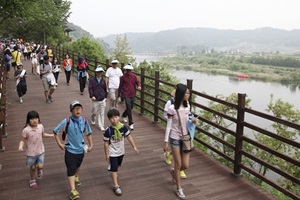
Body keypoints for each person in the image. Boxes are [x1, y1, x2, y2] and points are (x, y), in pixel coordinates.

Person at [53, 100, 93, 200]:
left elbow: (89, 133)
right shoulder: (67, 121)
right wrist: (59, 144)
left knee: (77, 165)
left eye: (79, 108)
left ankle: (76, 177)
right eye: (75, 109)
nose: (78, 110)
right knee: (71, 169)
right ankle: (73, 191)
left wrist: (91, 144)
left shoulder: (84, 120)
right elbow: (55, 131)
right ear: (71, 111)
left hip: (81, 150)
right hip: (70, 150)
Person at [163, 83, 196, 199]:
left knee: (185, 165)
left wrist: (193, 121)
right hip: (175, 137)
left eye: (189, 93)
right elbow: (168, 125)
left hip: (186, 138)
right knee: (178, 164)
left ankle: (173, 172)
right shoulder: (172, 108)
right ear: (181, 94)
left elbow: (188, 119)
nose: (189, 95)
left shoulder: (188, 106)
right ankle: (178, 188)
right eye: (187, 93)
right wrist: (166, 141)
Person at [103, 108, 139, 196]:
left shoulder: (123, 127)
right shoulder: (109, 130)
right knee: (114, 169)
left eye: (115, 117)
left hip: (121, 151)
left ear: (119, 117)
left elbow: (129, 137)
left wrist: (134, 147)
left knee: (118, 165)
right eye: (112, 118)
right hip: (112, 152)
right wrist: (107, 154)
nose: (114, 119)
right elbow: (106, 143)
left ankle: (113, 167)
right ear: (109, 119)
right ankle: (116, 186)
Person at [18, 110, 54, 188]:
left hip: (40, 151)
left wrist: (51, 135)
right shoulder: (26, 130)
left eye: (36, 118)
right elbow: (22, 140)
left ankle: (39, 170)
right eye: (32, 119)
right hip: (30, 153)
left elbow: (43, 134)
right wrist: (21, 146)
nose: (34, 120)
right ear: (28, 120)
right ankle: (32, 180)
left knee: (40, 166)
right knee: (32, 167)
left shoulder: (40, 126)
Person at [163, 89, 187, 179]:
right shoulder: (169, 104)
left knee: (180, 150)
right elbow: (165, 116)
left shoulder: (186, 105)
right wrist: (173, 119)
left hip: (183, 132)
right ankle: (179, 170)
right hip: (173, 130)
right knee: (178, 150)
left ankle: (169, 155)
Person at [118, 64, 141, 130]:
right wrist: (119, 94)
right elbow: (120, 86)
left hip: (133, 93)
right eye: (127, 70)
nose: (128, 71)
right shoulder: (122, 77)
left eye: (129, 70)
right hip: (126, 94)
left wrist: (139, 86)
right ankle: (131, 123)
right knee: (128, 106)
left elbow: (138, 82)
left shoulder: (134, 76)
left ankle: (124, 115)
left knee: (131, 107)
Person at [88, 66, 107, 131]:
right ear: (96, 72)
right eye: (98, 72)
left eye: (100, 72)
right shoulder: (92, 80)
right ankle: (93, 116)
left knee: (101, 112)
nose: (99, 73)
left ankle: (101, 125)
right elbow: (90, 88)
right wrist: (92, 95)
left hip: (102, 98)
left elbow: (105, 88)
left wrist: (105, 96)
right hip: (95, 99)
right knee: (95, 111)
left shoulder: (103, 80)